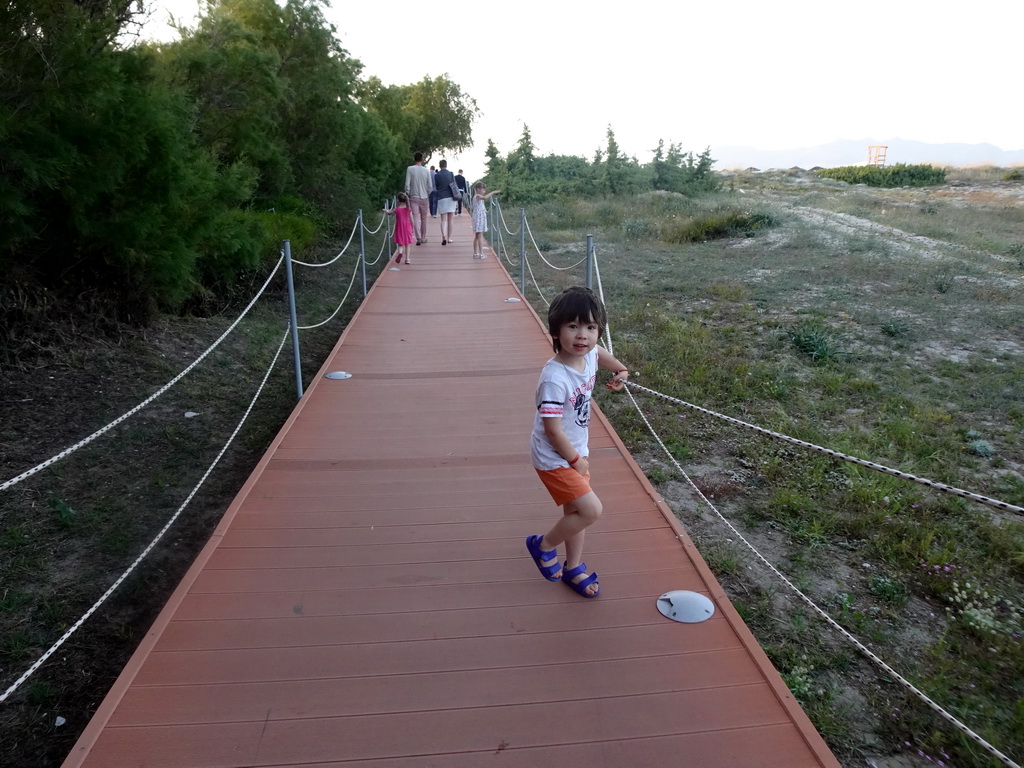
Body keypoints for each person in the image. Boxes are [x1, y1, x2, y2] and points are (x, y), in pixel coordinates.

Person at [526, 287, 629, 598]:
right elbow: (553, 430)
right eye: (573, 326)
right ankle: (542, 546)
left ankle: (572, 568)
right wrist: (574, 460)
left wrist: (621, 372)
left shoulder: (590, 356)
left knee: (575, 513)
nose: (582, 335)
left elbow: (607, 358)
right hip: (555, 457)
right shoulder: (554, 378)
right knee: (590, 510)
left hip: (575, 451)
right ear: (556, 330)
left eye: (591, 327)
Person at [404, 152, 431, 245]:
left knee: (415, 217)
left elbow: (407, 184)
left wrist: (407, 193)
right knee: (424, 218)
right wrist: (427, 193)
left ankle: (418, 237)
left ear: (414, 159)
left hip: (413, 197)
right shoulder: (426, 170)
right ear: (422, 159)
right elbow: (430, 186)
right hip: (424, 197)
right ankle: (423, 237)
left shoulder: (410, 169)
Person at [471, 182, 500, 259]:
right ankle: (481, 253)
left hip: (478, 216)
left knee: (477, 236)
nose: (484, 191)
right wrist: (493, 192)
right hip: (479, 217)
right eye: (483, 189)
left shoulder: (476, 196)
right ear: (478, 189)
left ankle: (475, 253)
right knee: (480, 235)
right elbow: (485, 197)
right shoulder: (477, 196)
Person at [383, 193, 414, 265]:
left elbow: (389, 213)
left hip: (399, 227)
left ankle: (400, 253)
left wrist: (385, 210)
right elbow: (412, 219)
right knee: (407, 244)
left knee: (400, 244)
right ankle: (407, 259)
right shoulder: (408, 209)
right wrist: (412, 227)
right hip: (407, 227)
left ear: (399, 201)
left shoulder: (397, 209)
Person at [434, 160, 458, 245]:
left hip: (441, 198)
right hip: (451, 197)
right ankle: (449, 238)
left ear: (439, 166)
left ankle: (443, 236)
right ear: (446, 165)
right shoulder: (451, 174)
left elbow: (436, 186)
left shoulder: (437, 175)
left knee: (443, 219)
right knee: (450, 219)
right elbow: (454, 185)